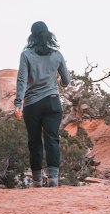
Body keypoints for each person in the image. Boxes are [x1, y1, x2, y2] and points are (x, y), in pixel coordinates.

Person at [14, 21, 70, 187]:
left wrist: (18, 102)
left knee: (34, 141)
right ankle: (53, 179)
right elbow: (67, 81)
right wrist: (55, 81)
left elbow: (22, 80)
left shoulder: (26, 55)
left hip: (32, 104)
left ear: (31, 36)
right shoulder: (57, 55)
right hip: (52, 101)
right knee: (52, 139)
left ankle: (37, 181)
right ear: (48, 35)